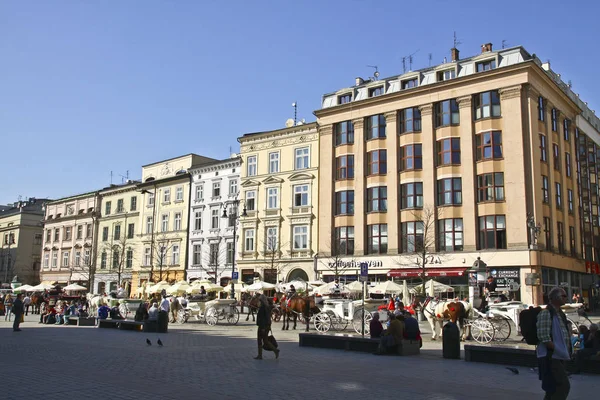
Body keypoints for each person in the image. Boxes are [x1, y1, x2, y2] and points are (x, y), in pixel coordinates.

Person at [536, 286, 571, 400]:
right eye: (563, 296)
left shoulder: (559, 313)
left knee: (553, 388)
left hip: (560, 355)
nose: (566, 298)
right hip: (551, 356)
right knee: (563, 386)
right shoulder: (546, 313)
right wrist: (557, 349)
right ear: (555, 298)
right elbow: (543, 336)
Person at [254, 294, 279, 360]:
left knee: (260, 340)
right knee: (265, 340)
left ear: (261, 300)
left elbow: (263, 318)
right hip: (266, 326)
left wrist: (262, 328)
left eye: (259, 300)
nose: (258, 301)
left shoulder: (262, 308)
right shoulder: (267, 307)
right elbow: (268, 318)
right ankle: (275, 350)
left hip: (262, 326)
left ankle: (260, 355)